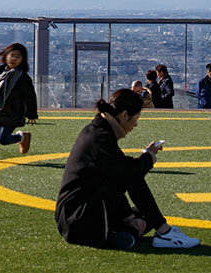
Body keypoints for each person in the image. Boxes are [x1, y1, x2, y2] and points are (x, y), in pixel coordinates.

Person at [55, 89, 200, 250]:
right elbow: (128, 173)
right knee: (132, 176)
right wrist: (148, 158)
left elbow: (118, 173)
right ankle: (162, 232)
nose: (136, 124)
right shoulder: (100, 139)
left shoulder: (98, 131)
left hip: (78, 216)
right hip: (77, 222)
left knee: (144, 210)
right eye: (136, 118)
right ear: (124, 115)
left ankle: (128, 230)